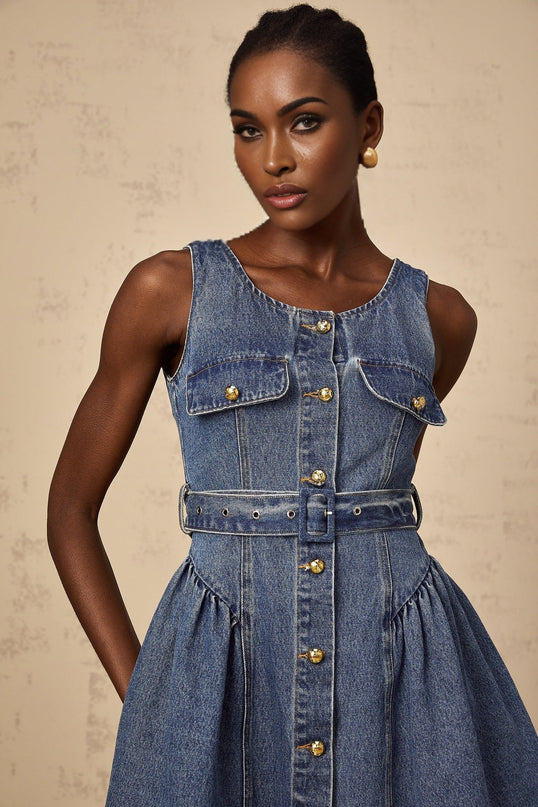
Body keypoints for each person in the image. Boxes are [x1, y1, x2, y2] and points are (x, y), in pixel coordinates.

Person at [47, 5, 538, 806]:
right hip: (216, 682)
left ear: (368, 125)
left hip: (409, 683)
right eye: (248, 129)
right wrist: (152, 702)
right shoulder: (169, 291)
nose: (274, 158)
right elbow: (69, 511)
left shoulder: (440, 318)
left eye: (303, 122)